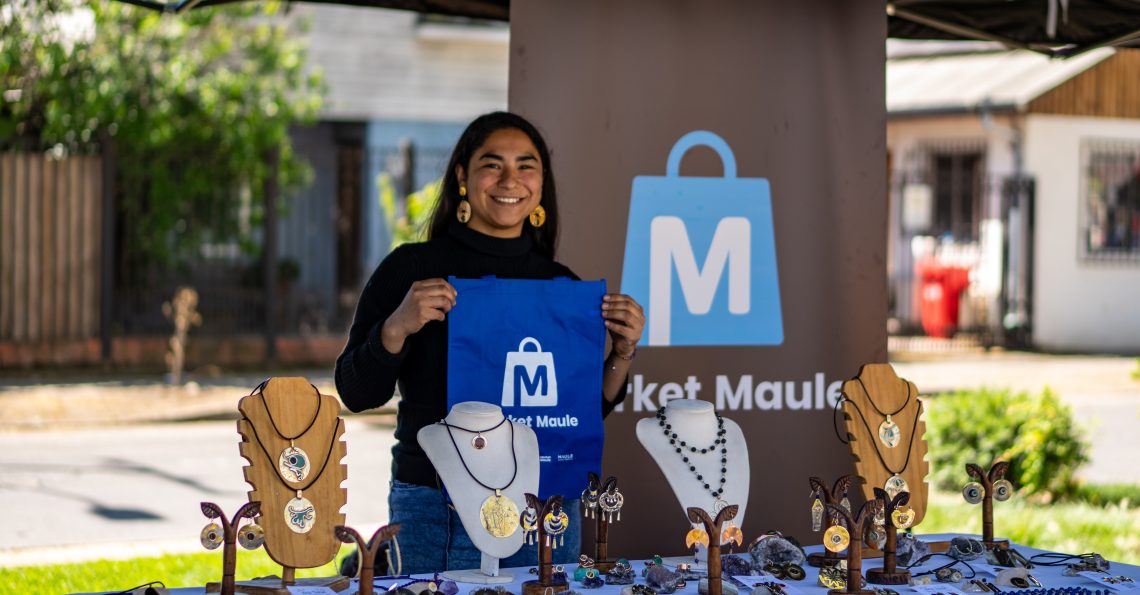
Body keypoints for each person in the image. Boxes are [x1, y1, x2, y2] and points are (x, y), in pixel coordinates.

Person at [335, 111, 644, 574]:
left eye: (525, 165)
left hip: (545, 508)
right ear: (462, 175)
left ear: (541, 183)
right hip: (436, 509)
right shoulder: (411, 269)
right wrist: (396, 327)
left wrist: (622, 353)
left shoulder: (560, 285)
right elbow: (356, 393)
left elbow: (574, 415)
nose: (509, 179)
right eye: (492, 164)